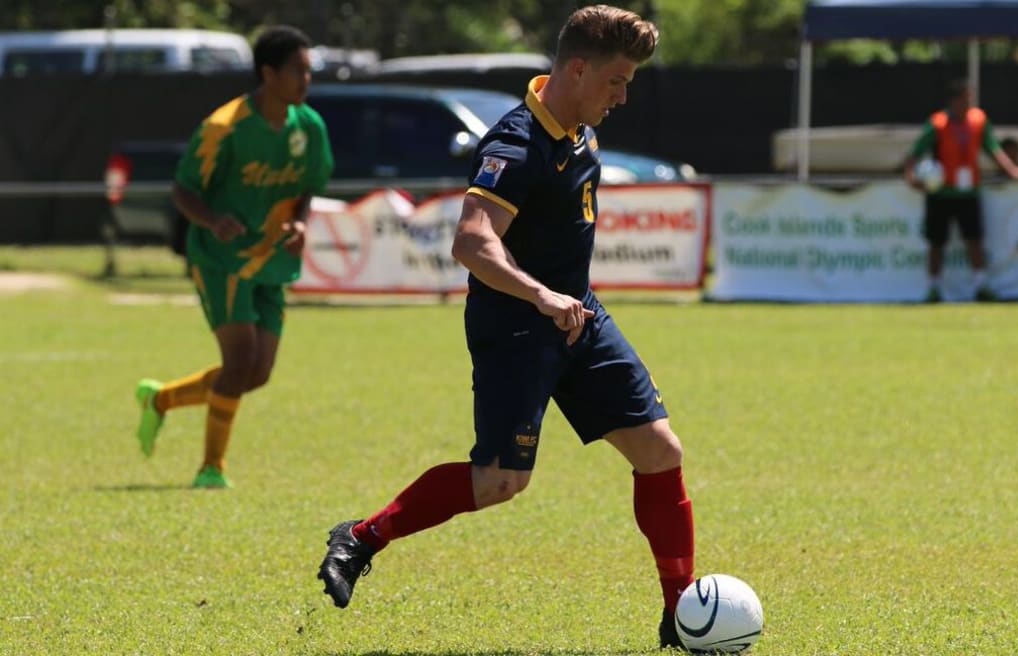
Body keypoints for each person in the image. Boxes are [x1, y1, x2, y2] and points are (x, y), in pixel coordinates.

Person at [317, 5, 695, 649]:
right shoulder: (515, 144)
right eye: (616, 81)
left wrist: (562, 299)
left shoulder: (581, 131)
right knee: (499, 483)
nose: (623, 96)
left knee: (661, 452)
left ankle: (682, 615)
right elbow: (472, 244)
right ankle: (361, 536)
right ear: (578, 69)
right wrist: (541, 295)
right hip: (517, 326)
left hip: (579, 317)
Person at [134, 25, 333, 489]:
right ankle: (211, 469)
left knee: (256, 373)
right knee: (240, 360)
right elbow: (183, 190)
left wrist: (301, 222)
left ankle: (160, 400)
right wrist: (211, 220)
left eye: (309, 70)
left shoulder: (310, 127)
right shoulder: (224, 128)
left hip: (271, 260)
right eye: (297, 71)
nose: (307, 80)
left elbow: (307, 189)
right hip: (221, 259)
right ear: (269, 73)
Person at [903, 79, 1018, 303]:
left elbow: (993, 149)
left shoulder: (978, 120)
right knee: (936, 242)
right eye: (964, 98)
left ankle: (980, 286)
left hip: (968, 192)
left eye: (970, 98)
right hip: (940, 192)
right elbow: (916, 152)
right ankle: (933, 289)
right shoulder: (938, 124)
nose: (968, 102)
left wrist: (1012, 170)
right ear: (953, 101)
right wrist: (910, 175)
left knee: (975, 240)